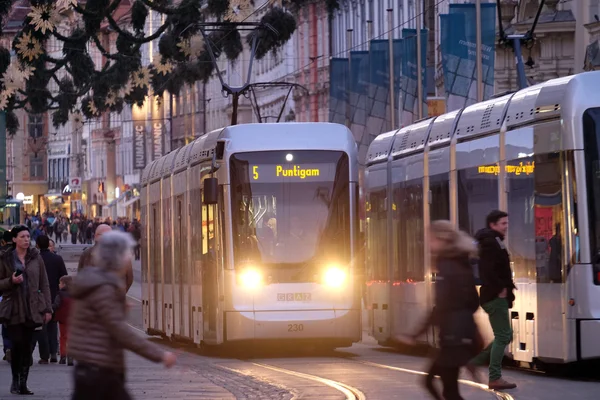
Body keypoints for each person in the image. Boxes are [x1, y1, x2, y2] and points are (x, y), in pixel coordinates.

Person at [69, 231, 176, 399]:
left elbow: (100, 321)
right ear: (118, 258)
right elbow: (119, 330)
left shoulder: (95, 281)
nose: (130, 259)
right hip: (100, 371)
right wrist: (160, 355)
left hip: (91, 369)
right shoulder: (104, 288)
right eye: (128, 254)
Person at [397, 221, 481, 400]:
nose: (428, 244)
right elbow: (474, 301)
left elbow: (440, 306)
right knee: (443, 387)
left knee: (445, 389)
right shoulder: (461, 262)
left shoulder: (447, 266)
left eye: (430, 239)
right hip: (462, 334)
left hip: (453, 337)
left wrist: (415, 334)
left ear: (440, 239)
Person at [0, 225, 53, 395]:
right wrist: (11, 281)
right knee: (17, 345)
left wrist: (47, 308)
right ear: (14, 239)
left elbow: (44, 283)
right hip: (14, 308)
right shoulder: (5, 258)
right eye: (22, 236)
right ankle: (15, 381)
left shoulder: (36, 257)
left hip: (33, 307)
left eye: (28, 237)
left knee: (28, 347)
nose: (26, 239)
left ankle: (23, 383)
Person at [470, 210, 517, 390]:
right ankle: (494, 377)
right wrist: (501, 289)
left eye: (506, 223)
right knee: (503, 335)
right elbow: (489, 270)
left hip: (494, 294)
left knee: (506, 335)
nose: (506, 227)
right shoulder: (490, 243)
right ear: (493, 225)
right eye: (503, 224)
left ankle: (476, 362)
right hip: (494, 295)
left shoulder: (493, 241)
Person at [32, 235, 68, 364]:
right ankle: (53, 353)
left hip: (38, 297)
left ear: (36, 245)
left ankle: (44, 355)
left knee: (41, 327)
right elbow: (64, 276)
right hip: (54, 296)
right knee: (53, 325)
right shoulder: (57, 259)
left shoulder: (34, 259)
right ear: (48, 244)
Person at [78, 224, 133, 292]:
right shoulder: (87, 254)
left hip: (114, 297)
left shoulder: (122, 255)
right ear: (96, 236)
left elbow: (129, 278)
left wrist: (120, 294)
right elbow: (80, 276)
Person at [53, 275, 73, 365]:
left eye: (60, 283)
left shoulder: (60, 294)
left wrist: (50, 308)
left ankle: (63, 357)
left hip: (63, 319)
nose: (59, 285)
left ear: (64, 284)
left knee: (63, 338)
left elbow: (56, 305)